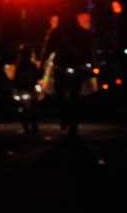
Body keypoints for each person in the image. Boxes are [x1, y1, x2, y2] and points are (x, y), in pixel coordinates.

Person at [37, 9, 92, 140]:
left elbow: (88, 50)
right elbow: (47, 49)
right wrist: (42, 64)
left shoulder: (77, 33)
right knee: (64, 95)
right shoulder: (59, 33)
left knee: (70, 95)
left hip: (72, 66)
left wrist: (89, 63)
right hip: (63, 66)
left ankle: (70, 121)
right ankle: (65, 118)